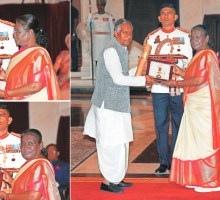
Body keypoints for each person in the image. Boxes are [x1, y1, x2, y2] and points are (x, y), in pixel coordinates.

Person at [84, 18, 154, 193]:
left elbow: (121, 74)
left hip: (118, 104)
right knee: (110, 144)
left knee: (121, 142)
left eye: (130, 32)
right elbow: (119, 79)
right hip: (108, 106)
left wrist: (139, 70)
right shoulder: (111, 51)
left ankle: (117, 178)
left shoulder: (121, 49)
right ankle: (107, 182)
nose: (128, 36)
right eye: (124, 32)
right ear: (115, 33)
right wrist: (143, 79)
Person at [163, 25, 220, 192]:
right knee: (195, 143)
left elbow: (199, 80)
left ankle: (212, 181)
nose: (194, 40)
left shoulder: (207, 54)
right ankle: (197, 178)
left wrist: (175, 83)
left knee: (204, 143)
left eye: (198, 37)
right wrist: (179, 71)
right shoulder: (199, 55)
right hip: (195, 106)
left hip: (203, 107)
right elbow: (192, 75)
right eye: (192, 37)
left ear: (206, 38)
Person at [144, 3, 193, 174]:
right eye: (163, 13)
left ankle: (177, 160)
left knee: (179, 123)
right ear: (159, 18)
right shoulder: (152, 37)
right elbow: (146, 62)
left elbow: (191, 64)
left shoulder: (187, 36)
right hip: (159, 89)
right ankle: (164, 162)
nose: (166, 16)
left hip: (179, 87)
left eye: (169, 13)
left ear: (176, 17)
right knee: (161, 125)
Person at [0, 14, 61, 100]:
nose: (13, 35)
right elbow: (19, 80)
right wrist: (2, 74)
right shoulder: (18, 54)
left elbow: (35, 86)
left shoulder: (39, 54)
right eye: (14, 31)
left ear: (30, 33)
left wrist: (4, 93)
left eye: (17, 31)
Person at [0, 129, 61, 200]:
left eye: (30, 143)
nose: (25, 147)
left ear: (40, 145)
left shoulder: (40, 164)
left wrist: (6, 196)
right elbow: (26, 189)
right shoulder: (32, 163)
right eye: (23, 143)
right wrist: (10, 180)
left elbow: (34, 196)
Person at [86, 0, 114, 67]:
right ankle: (98, 75)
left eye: (101, 5)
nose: (99, 7)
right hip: (96, 42)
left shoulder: (109, 16)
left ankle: (105, 75)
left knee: (106, 58)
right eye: (98, 5)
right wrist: (88, 20)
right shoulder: (93, 16)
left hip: (106, 41)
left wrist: (112, 42)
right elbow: (88, 29)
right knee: (97, 58)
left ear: (104, 6)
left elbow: (112, 30)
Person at [53, 34, 70, 100]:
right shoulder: (62, 54)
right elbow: (54, 69)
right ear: (66, 44)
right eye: (68, 42)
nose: (70, 44)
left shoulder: (76, 55)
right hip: (63, 81)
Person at [71, 0, 79, 72]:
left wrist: (73, 34)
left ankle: (75, 67)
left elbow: (76, 23)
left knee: (73, 50)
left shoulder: (74, 11)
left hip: (72, 33)